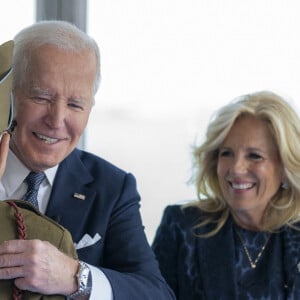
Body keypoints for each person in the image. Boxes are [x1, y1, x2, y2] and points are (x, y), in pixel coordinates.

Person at [0, 21, 175, 300]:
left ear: (90, 108)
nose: (56, 121)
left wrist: (74, 276)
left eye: (74, 105)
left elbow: (156, 293)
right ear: (9, 94)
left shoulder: (113, 188)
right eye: (41, 97)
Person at [152, 90, 300, 299]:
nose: (237, 168)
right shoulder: (181, 227)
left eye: (254, 156)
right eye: (226, 153)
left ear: (286, 167)